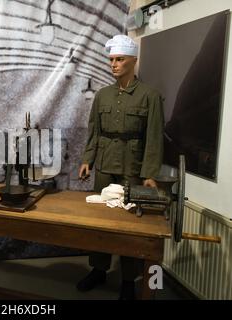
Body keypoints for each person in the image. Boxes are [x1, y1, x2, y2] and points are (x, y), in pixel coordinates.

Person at [78, 34, 164, 300]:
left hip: (133, 165)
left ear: (133, 61)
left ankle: (129, 278)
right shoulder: (102, 96)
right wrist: (87, 160)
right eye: (111, 60)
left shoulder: (149, 96)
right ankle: (99, 269)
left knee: (129, 224)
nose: (113, 64)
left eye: (119, 59)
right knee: (100, 220)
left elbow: (153, 137)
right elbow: (94, 131)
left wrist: (149, 173)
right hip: (105, 163)